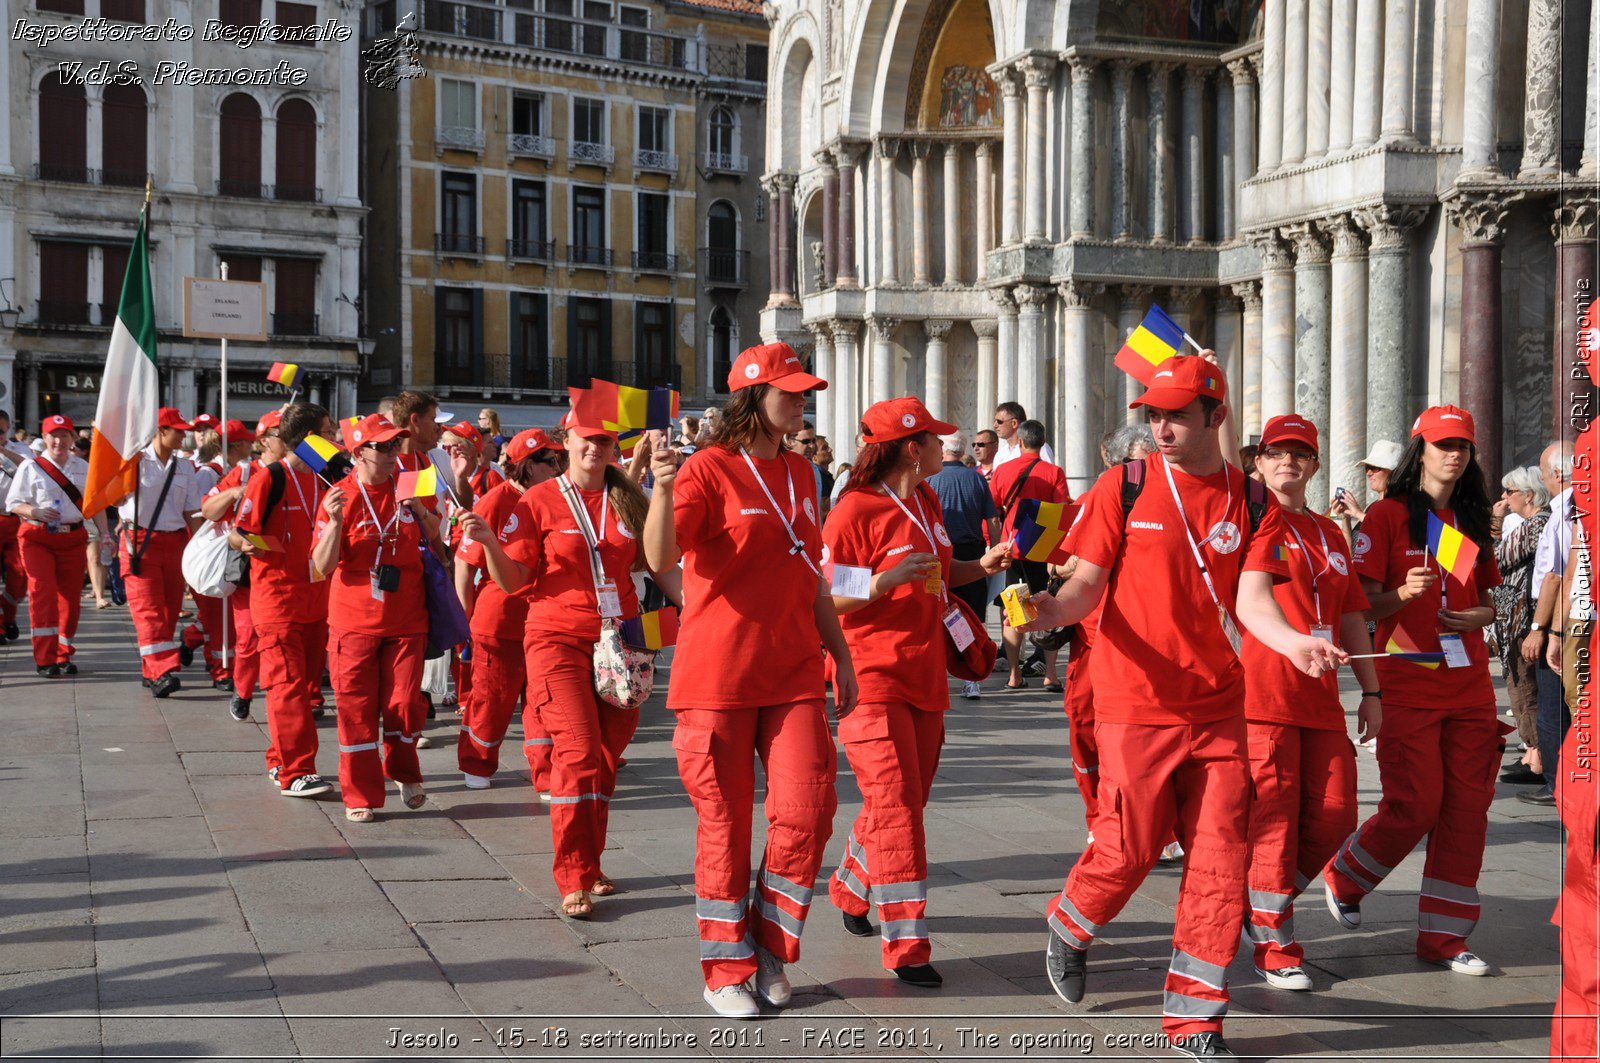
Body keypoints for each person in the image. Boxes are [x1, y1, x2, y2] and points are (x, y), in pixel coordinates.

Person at [1022, 356, 1342, 1062]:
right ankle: (1071, 922)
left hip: (1221, 707)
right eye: (1153, 414)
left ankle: (1196, 1018)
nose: (1161, 426)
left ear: (1215, 417)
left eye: (1176, 414)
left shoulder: (1251, 502)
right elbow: (1084, 589)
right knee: (1131, 846)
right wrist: (1046, 608)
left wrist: (1295, 644)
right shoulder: (1123, 485)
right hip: (1134, 703)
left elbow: (1253, 599)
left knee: (1222, 857)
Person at [643, 342, 857, 1020]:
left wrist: (842, 656)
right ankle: (724, 966)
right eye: (788, 392)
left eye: (802, 392)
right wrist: (664, 486)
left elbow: (810, 574)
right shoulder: (707, 468)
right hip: (718, 676)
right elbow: (659, 556)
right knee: (726, 824)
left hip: (793, 669)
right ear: (751, 399)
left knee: (807, 809)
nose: (800, 401)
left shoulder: (801, 471)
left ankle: (765, 942)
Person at [823, 397, 1012, 987]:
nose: (945, 447)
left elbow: (939, 570)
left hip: (926, 675)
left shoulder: (925, 498)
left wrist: (982, 566)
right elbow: (827, 595)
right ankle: (907, 942)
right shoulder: (854, 510)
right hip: (870, 676)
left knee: (905, 800)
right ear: (912, 448)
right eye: (935, 439)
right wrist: (883, 582)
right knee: (898, 805)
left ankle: (852, 886)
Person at [1325, 404, 1501, 977]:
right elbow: (1359, 604)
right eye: (1444, 444)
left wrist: (1478, 616)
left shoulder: (1471, 517)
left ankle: (1446, 938)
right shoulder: (1389, 515)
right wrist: (1400, 594)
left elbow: (1488, 599)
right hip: (1409, 680)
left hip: (1470, 685)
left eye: (1463, 447)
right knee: (1416, 804)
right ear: (1419, 448)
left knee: (1467, 811)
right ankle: (1347, 875)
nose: (1454, 454)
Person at [463, 409, 660, 919]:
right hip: (556, 638)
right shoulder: (539, 499)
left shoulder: (626, 496)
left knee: (608, 759)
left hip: (622, 641)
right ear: (566, 441)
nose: (596, 447)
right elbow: (512, 581)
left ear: (616, 446)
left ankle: (590, 863)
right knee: (577, 753)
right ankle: (572, 874)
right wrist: (488, 544)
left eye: (606, 440)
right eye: (586, 439)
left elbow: (657, 562)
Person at [1240, 415, 1380, 991]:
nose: (1288, 463)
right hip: (1262, 693)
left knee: (1335, 816)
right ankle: (1275, 944)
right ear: (1259, 462)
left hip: (1322, 700)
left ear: (1316, 464)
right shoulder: (1250, 518)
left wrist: (1372, 691)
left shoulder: (1328, 531)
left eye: (1300, 454)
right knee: (1273, 823)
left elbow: (1351, 617)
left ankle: (1258, 905)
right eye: (1276, 453)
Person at [313, 413, 449, 822]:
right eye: (383, 446)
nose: (393, 453)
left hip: (408, 619)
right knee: (355, 710)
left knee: (405, 705)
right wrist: (335, 523)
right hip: (353, 622)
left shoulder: (411, 483)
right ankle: (360, 795)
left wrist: (422, 515)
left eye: (395, 445)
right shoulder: (337, 495)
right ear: (358, 452)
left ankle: (404, 771)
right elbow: (320, 566)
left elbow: (439, 545)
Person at [1057, 422, 1158, 841]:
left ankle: (1154, 822)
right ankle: (1100, 816)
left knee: (1144, 739)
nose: (1141, 473)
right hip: (1094, 638)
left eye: (1148, 464)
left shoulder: (1174, 503)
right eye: (1134, 464)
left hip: (1150, 643)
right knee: (1085, 730)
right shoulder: (1095, 497)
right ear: (1114, 465)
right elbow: (1059, 563)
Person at [229, 404, 336, 798]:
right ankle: (296, 770)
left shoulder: (326, 480)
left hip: (317, 600)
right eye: (328, 431)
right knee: (286, 685)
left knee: (303, 686)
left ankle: (279, 759)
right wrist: (262, 546)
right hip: (277, 602)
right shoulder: (270, 478)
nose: (334, 437)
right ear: (309, 437)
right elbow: (237, 535)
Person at [451, 428, 563, 791]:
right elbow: (465, 564)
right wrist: (462, 618)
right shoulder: (494, 501)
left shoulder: (556, 498)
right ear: (528, 467)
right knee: (491, 700)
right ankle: (477, 764)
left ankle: (546, 775)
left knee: (543, 701)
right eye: (552, 462)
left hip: (544, 618)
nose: (559, 467)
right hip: (498, 622)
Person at [201, 411, 293, 722]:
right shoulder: (244, 472)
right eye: (282, 433)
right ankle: (242, 691)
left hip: (290, 568)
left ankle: (296, 694)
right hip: (250, 569)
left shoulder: (301, 472)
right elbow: (208, 509)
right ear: (265, 440)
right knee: (249, 636)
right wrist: (232, 493)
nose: (290, 438)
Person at [5, 415, 107, 675]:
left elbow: (96, 505)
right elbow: (13, 503)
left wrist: (106, 536)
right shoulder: (31, 467)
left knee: (70, 600)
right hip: (36, 538)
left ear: (72, 439)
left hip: (73, 539)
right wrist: (34, 511)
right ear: (44, 438)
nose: (58, 441)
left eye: (63, 435)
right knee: (42, 593)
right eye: (52, 435)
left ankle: (63, 652)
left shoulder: (84, 467)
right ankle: (45, 658)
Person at [116, 407, 203, 698]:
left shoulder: (185, 467)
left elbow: (191, 511)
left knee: (168, 609)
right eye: (178, 430)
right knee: (148, 609)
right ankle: (162, 670)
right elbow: (113, 497)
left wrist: (198, 547)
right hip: (139, 540)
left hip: (175, 542)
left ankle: (150, 669)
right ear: (161, 431)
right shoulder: (135, 461)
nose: (184, 435)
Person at [988, 419, 1070, 691]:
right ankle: (1050, 674)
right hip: (1044, 548)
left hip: (1013, 547)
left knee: (1014, 608)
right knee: (1047, 607)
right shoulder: (1053, 471)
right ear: (1042, 442)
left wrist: (995, 542)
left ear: (1020, 442)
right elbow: (1062, 509)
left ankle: (1014, 674)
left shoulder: (1003, 470)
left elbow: (994, 506)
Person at [1520, 441, 1576, 804]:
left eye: (1542, 471)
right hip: (1567, 619)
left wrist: (1542, 630)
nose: (1541, 478)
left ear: (1556, 474)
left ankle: (1562, 791)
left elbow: (1556, 576)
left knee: (1554, 713)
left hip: (1562, 621)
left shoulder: (1566, 509)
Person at [1489, 462, 1552, 786]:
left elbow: (1495, 559)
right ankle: (1533, 752)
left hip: (1522, 620)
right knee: (1522, 685)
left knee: (1523, 687)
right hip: (1519, 618)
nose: (1505, 497)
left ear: (1528, 496)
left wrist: (1495, 520)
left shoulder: (1535, 524)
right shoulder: (1539, 522)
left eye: (1510, 491)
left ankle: (1539, 757)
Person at [925, 430, 999, 699]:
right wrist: (997, 548)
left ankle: (938, 673)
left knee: (937, 612)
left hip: (940, 554)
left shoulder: (930, 480)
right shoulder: (977, 480)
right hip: (973, 553)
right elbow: (992, 519)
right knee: (973, 616)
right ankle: (971, 677)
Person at [185, 422, 256, 689]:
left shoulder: (243, 469)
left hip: (234, 549)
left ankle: (193, 640)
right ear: (236, 445)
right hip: (218, 548)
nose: (251, 446)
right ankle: (220, 665)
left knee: (219, 614)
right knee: (217, 613)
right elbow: (202, 509)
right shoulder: (209, 472)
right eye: (247, 442)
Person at [1329, 438, 1403, 542]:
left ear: (1394, 471)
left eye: (1375, 467)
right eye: (1367, 467)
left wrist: (1358, 514)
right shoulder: (1371, 507)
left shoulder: (1400, 506)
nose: (1368, 473)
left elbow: (1390, 536)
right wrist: (1345, 518)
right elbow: (1351, 554)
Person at [0, 410, 32, 640]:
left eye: (0, 432)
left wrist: (3, 451)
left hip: (15, 520)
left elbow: (31, 470)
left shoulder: (20, 449)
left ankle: (7, 614)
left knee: (20, 575)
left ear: (9, 428)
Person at [992, 402, 1055, 467]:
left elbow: (1048, 474)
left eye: (999, 421)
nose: (995, 425)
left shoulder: (1039, 448)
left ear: (1014, 423)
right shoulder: (1000, 454)